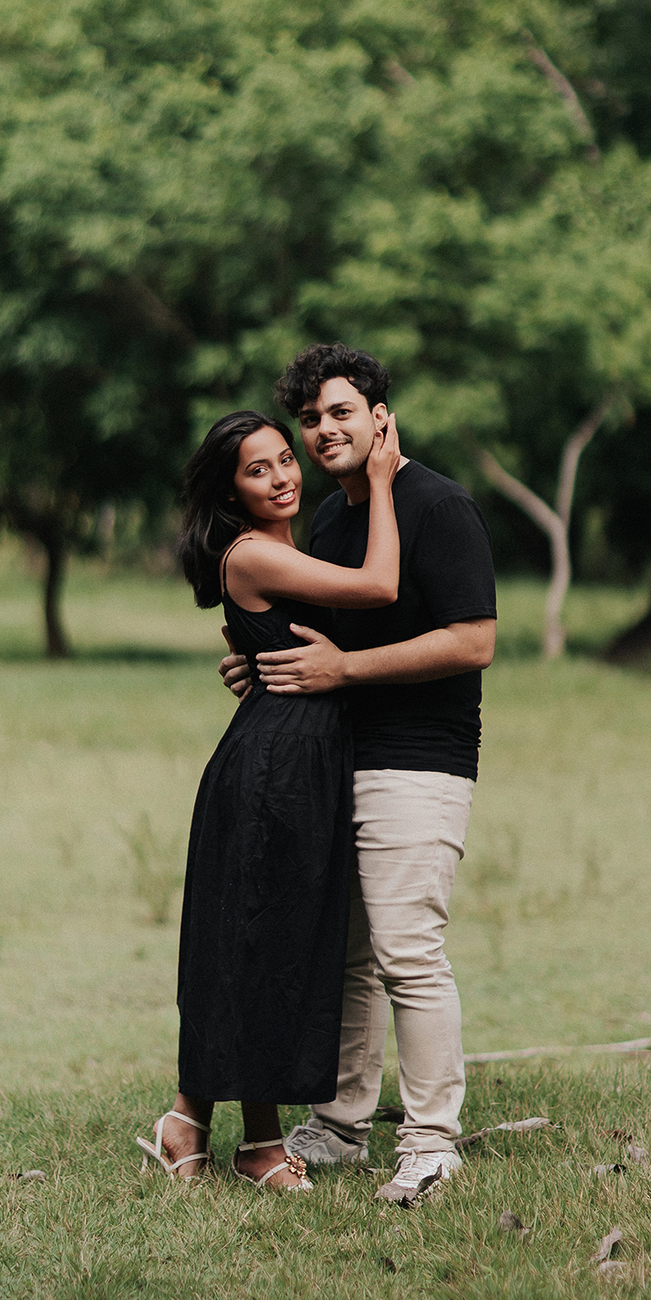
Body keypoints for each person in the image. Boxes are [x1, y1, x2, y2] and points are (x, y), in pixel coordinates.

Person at [219, 343, 496, 1204]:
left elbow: (473, 641)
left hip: (419, 760)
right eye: (310, 419)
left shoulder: (438, 505)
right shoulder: (336, 523)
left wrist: (345, 671)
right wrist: (261, 662)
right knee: (346, 957)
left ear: (380, 416)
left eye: (341, 412)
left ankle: (432, 1143)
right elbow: (322, 641)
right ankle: (340, 1125)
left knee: (408, 952)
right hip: (333, 758)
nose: (323, 430)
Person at [137, 405, 401, 1188]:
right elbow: (380, 586)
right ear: (231, 492)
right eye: (259, 470)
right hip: (273, 770)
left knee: (265, 943)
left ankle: (196, 1124)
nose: (283, 476)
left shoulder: (287, 548)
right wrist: (383, 481)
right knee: (260, 943)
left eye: (285, 458)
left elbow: (266, 640)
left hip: (298, 757)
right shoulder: (254, 553)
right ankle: (248, 1142)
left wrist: (250, 659)